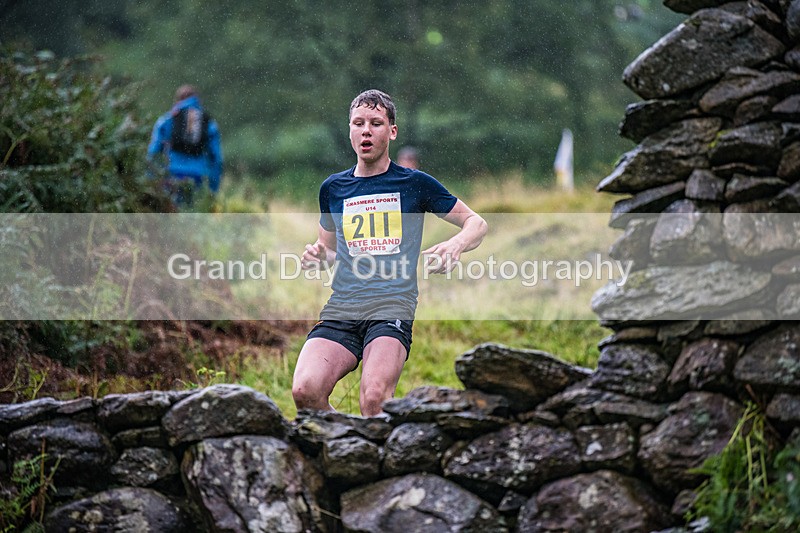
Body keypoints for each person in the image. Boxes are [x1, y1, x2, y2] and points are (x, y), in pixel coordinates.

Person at [291, 89, 487, 417]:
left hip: (392, 306)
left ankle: (380, 457)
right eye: (358, 123)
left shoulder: (414, 183)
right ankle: (347, 448)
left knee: (374, 399)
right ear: (350, 130)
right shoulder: (333, 189)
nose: (366, 130)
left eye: (376, 123)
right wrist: (316, 257)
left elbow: (476, 223)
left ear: (392, 131)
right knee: (304, 391)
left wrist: (455, 245)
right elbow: (330, 252)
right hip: (343, 307)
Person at [147, 85, 223, 203]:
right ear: (197, 100)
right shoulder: (208, 122)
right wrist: (214, 187)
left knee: (173, 213)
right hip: (198, 176)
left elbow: (153, 152)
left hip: (173, 175)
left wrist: (150, 179)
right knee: (192, 213)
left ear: (178, 100)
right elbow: (216, 158)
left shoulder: (167, 119)